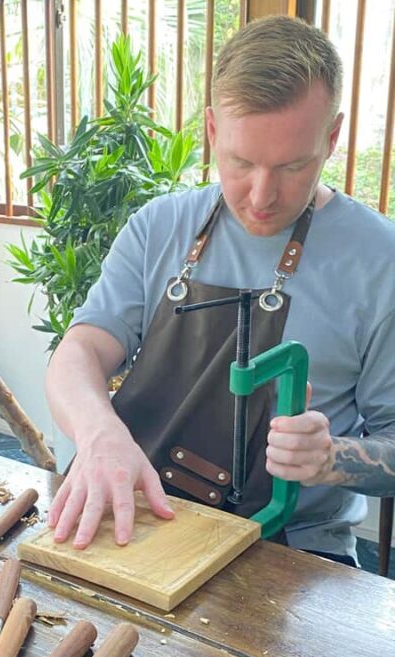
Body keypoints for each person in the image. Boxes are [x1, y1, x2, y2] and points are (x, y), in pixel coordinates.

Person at [45, 15, 395, 565]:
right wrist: (98, 434)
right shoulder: (159, 226)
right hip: (141, 517)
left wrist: (333, 458)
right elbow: (80, 351)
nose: (261, 195)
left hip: (291, 554)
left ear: (331, 138)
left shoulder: (381, 260)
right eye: (239, 162)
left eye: (292, 166)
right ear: (212, 130)